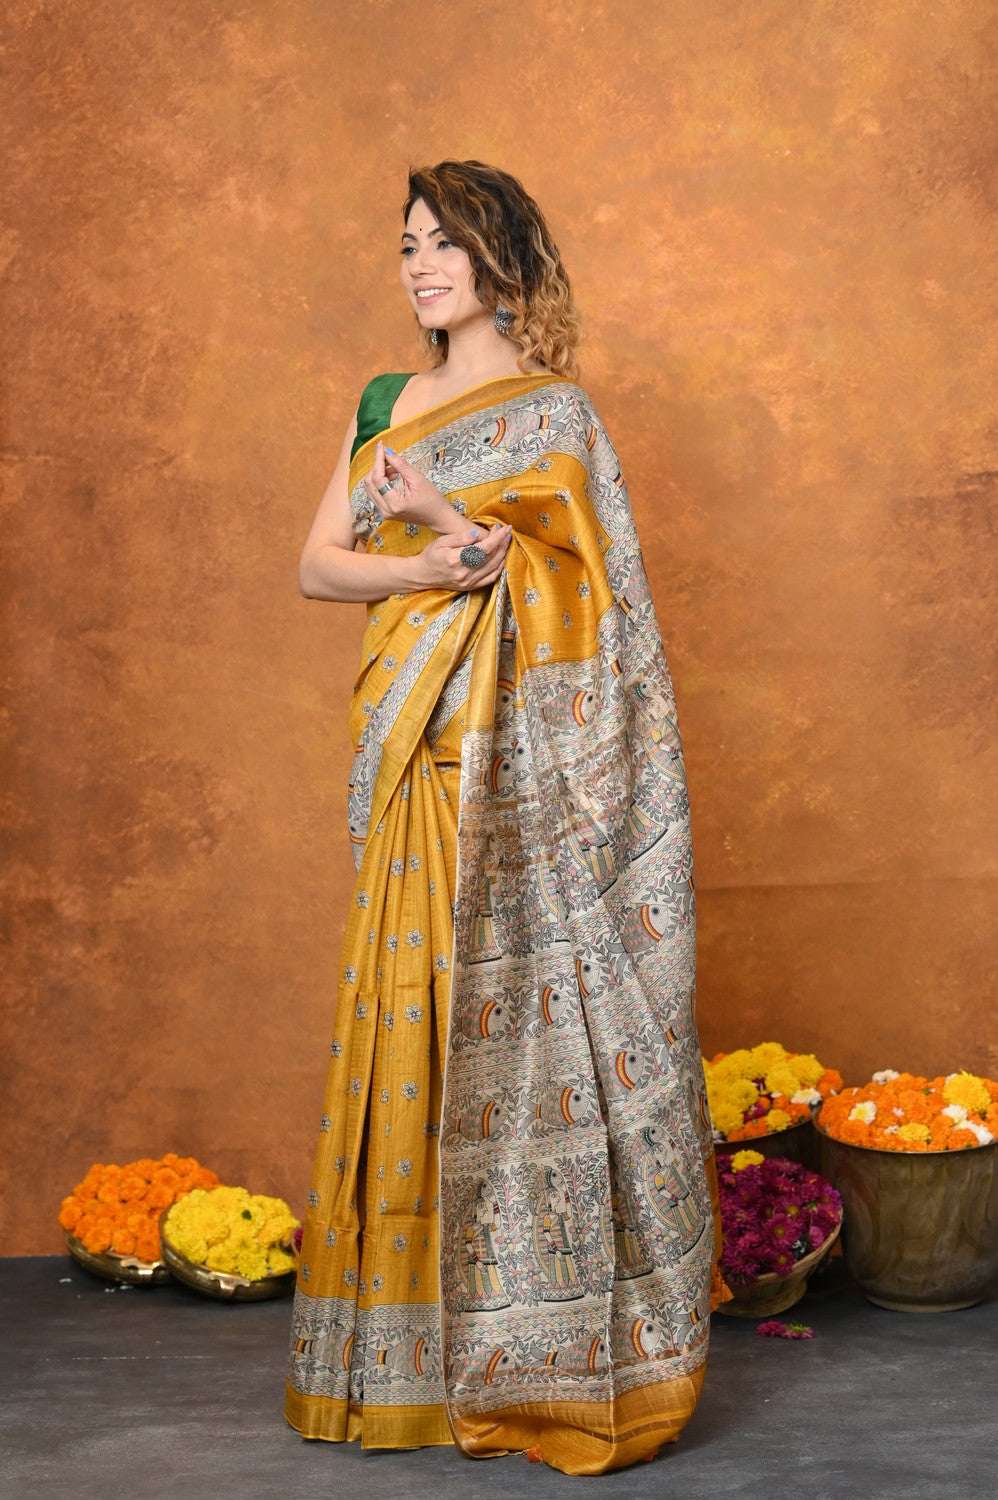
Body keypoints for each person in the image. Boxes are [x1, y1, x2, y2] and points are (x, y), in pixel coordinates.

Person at [285, 159, 726, 1476]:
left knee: (511, 1042)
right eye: (407, 244)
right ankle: (402, 1361)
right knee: (405, 1026)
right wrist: (417, 560)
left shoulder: (555, 413)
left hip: (516, 780)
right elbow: (317, 566)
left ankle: (537, 1349)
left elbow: (565, 585)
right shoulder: (385, 401)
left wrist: (439, 521)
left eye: (446, 244)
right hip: (412, 755)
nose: (421, 266)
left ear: (501, 263)